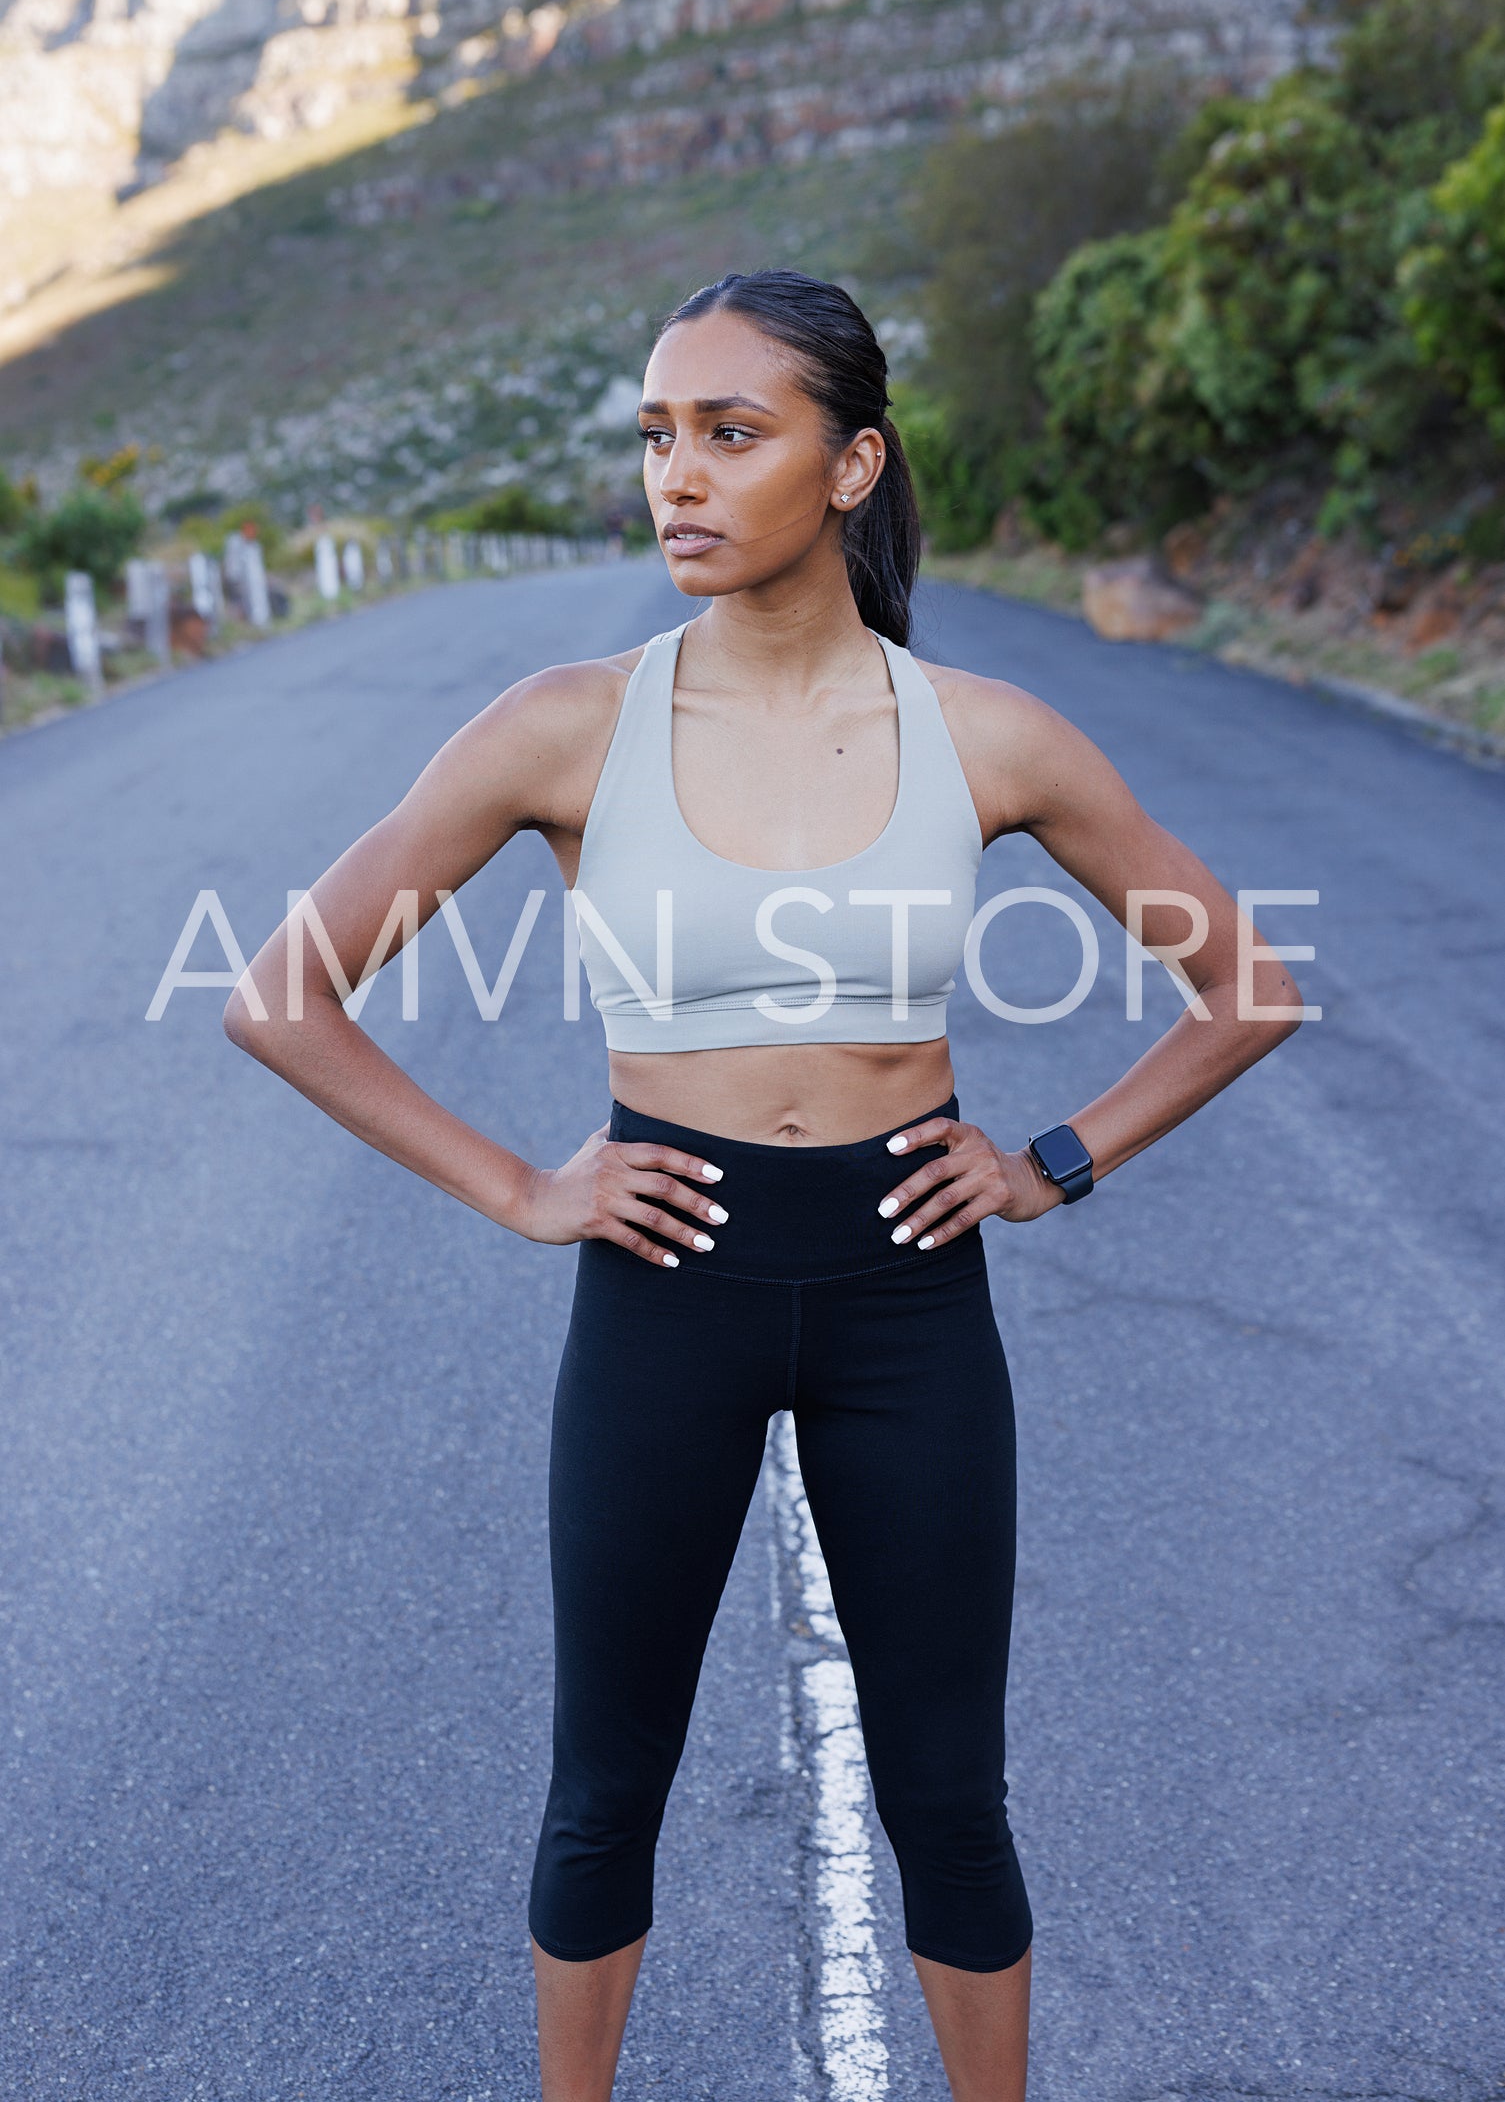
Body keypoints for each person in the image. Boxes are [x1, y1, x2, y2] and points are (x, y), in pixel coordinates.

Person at [224, 269, 1305, 2101]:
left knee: (949, 1793)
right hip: (668, 1293)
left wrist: (1052, 1162)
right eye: (658, 435)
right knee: (603, 1788)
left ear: (852, 461)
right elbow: (281, 997)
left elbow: (1246, 989)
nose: (679, 477)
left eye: (732, 433)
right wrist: (517, 1188)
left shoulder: (986, 733)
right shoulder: (566, 725)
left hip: (907, 1295)